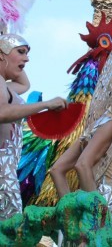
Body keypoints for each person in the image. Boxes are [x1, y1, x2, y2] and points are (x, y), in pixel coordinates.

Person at [0, 34, 67, 220]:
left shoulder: (7, 86)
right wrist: (45, 104)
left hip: (6, 172)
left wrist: (10, 55)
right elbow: (2, 112)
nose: (27, 58)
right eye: (20, 52)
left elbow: (24, 84)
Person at [49, 94, 112, 199]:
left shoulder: (99, 124)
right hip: (105, 208)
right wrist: (96, 209)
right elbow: (82, 164)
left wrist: (69, 209)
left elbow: (57, 169)